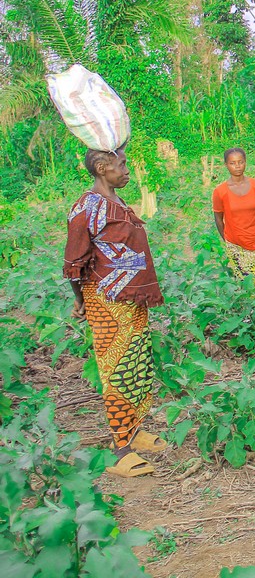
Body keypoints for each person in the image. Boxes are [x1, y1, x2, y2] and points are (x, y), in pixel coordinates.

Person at [64, 148, 167, 478]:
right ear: (101, 167)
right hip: (107, 301)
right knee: (116, 370)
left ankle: (135, 430)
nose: (127, 171)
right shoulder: (87, 206)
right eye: (121, 165)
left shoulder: (117, 203)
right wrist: (80, 301)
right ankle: (120, 448)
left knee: (137, 365)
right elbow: (74, 262)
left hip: (132, 298)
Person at [213, 147, 255, 278]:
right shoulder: (220, 191)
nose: (237, 166)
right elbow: (218, 218)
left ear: (245, 162)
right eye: (232, 163)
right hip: (237, 246)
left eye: (240, 162)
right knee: (247, 285)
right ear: (226, 165)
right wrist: (228, 241)